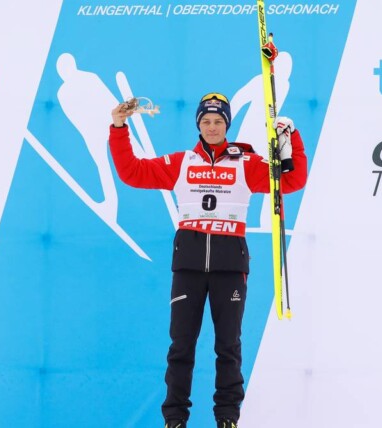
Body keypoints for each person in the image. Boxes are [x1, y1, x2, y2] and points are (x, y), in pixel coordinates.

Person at [108, 93, 308, 428]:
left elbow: (292, 180)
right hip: (188, 267)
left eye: (218, 121)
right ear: (198, 125)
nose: (212, 127)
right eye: (206, 121)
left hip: (230, 268)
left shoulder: (247, 163)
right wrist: (118, 127)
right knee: (181, 345)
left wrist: (292, 138)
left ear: (226, 124)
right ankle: (175, 418)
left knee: (228, 346)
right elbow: (133, 172)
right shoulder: (182, 163)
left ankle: (227, 417)